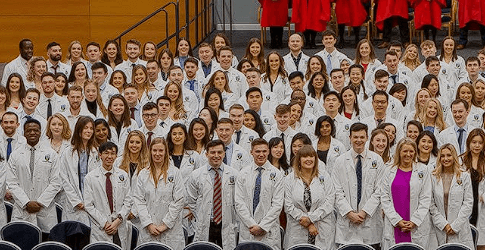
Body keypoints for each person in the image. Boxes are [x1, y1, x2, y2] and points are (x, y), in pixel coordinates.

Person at [6, 119, 60, 239]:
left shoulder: (51, 154)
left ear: (40, 132)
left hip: (45, 211)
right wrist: (26, 202)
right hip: (22, 210)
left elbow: (56, 182)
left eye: (35, 130)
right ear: (24, 133)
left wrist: (40, 203)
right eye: (29, 130)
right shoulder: (15, 155)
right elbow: (12, 182)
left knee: (45, 244)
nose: (32, 133)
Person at [332, 122, 384, 248]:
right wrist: (349, 213)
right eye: (355, 137)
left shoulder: (377, 160)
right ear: (349, 138)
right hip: (347, 223)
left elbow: (379, 190)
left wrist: (364, 212)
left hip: (370, 223)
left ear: (367, 138)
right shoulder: (340, 161)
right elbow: (336, 191)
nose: (358, 140)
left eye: (362, 137)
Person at [133, 137, 185, 248]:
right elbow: (139, 201)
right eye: (154, 150)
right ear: (150, 151)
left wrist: (165, 225)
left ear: (166, 152)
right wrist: (149, 224)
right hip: (148, 231)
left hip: (170, 232)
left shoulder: (175, 173)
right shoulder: (143, 174)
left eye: (161, 150)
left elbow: (179, 200)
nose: (157, 154)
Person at [380, 138, 432, 249]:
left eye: (411, 151)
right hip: (395, 224)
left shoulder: (423, 170)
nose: (408, 154)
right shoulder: (389, 170)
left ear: (415, 152)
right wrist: (397, 220)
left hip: (415, 225)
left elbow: (426, 198)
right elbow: (385, 198)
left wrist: (414, 221)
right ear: (399, 152)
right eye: (405, 151)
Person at [186, 139, 239, 249]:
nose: (216, 155)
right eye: (212, 152)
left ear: (224, 154)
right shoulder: (196, 175)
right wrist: (201, 216)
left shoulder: (234, 174)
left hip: (226, 223)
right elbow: (191, 201)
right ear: (206, 154)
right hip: (205, 223)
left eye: (219, 152)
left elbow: (237, 201)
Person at [234, 138, 284, 250]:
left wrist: (262, 227)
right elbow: (239, 202)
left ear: (268, 152)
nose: (261, 154)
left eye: (264, 151)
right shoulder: (243, 174)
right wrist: (251, 224)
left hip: (269, 231)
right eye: (257, 151)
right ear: (251, 152)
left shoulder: (277, 174)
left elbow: (277, 204)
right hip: (248, 229)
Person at [283, 145, 335, 249]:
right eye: (305, 157)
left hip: (321, 228)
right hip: (298, 229)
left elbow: (330, 201)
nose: (308, 159)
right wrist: (308, 223)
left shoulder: (324, 176)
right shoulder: (289, 179)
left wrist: (311, 218)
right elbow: (288, 205)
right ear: (299, 160)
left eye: (311, 156)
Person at [84, 142, 132, 248]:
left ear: (116, 156)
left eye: (113, 153)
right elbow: (89, 206)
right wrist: (105, 223)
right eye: (106, 153)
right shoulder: (90, 178)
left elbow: (128, 201)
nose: (109, 156)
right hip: (101, 228)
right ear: (100, 155)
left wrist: (117, 221)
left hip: (119, 225)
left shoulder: (122, 175)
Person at [428, 144, 474, 249]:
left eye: (449, 155)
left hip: (460, 228)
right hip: (439, 228)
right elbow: (431, 204)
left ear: (454, 157)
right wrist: (444, 224)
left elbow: (468, 203)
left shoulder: (464, 176)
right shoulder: (433, 177)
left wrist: (455, 226)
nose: (446, 159)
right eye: (442, 156)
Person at [59, 116, 101, 224]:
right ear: (79, 130)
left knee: (91, 237)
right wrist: (76, 201)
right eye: (86, 128)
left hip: (92, 202)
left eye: (91, 128)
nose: (89, 131)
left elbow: (98, 179)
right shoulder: (68, 153)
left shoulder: (96, 152)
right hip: (73, 204)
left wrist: (89, 202)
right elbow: (64, 178)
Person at [461, 128, 485, 250]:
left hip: (481, 206)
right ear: (468, 142)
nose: (477, 145)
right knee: (465, 243)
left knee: (481, 244)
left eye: (480, 143)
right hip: (465, 205)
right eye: (474, 142)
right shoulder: (461, 161)